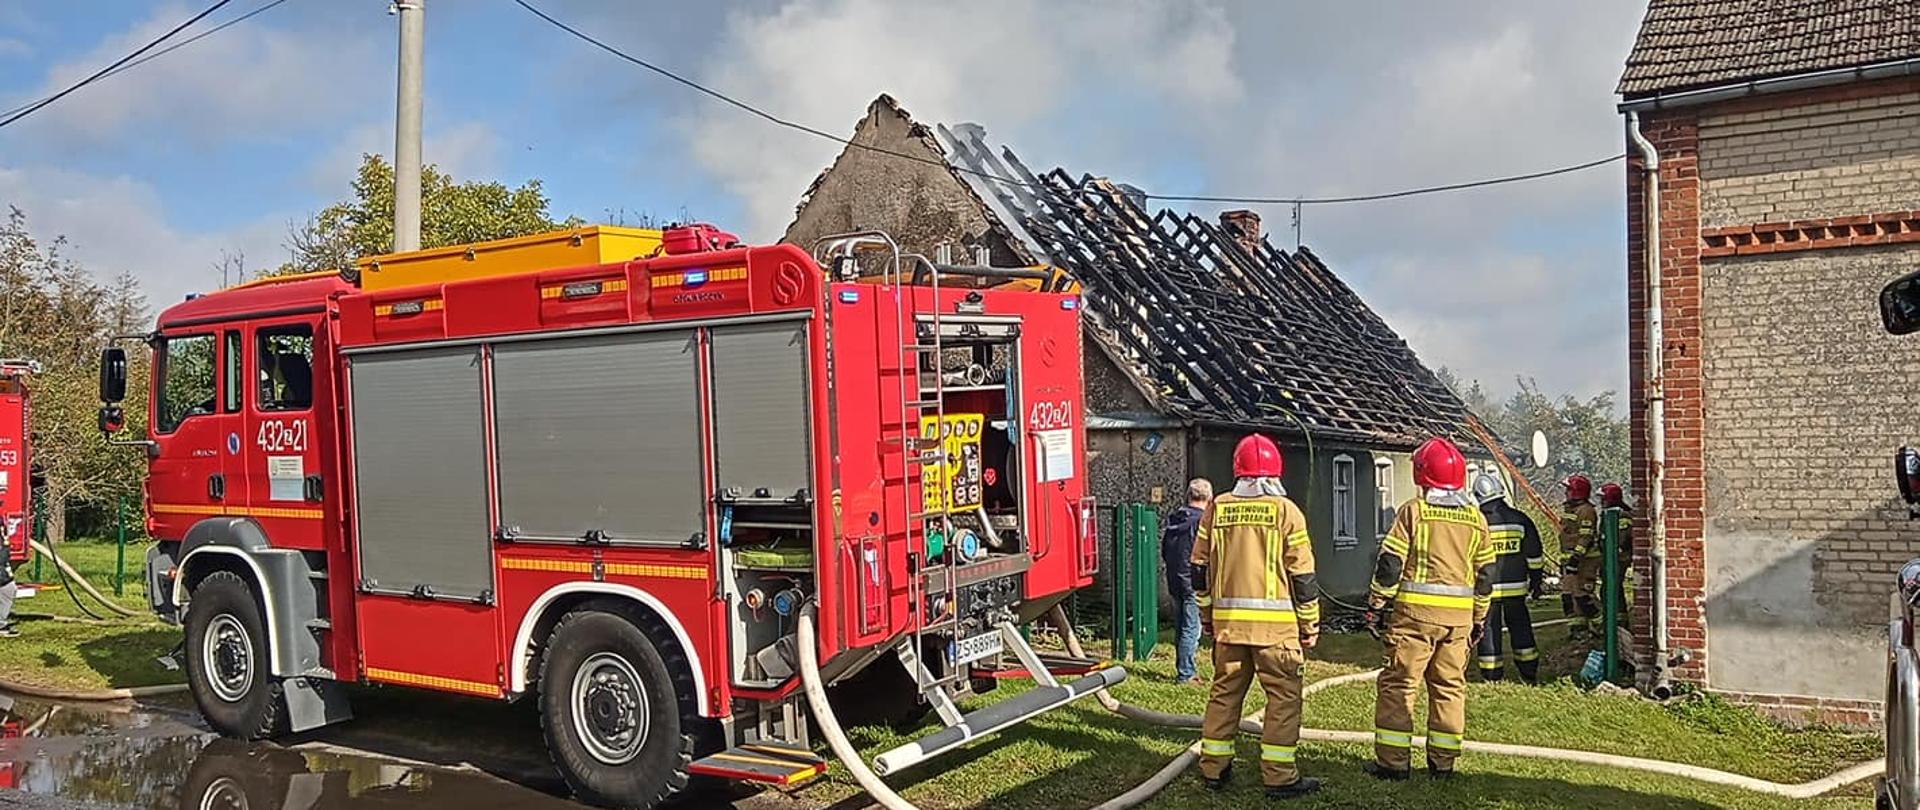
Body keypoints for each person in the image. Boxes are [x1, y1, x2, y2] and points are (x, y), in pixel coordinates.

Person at [1192, 434, 1322, 799]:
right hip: (1276, 633)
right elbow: (1303, 576)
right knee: (1282, 700)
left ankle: (1213, 769)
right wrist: (1309, 625)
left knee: (1224, 695)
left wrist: (1207, 615)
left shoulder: (1216, 508)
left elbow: (1198, 569)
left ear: (1238, 470)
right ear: (1275, 471)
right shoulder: (1285, 511)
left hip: (1229, 628)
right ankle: (1279, 777)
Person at [1366, 437, 1494, 781]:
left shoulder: (1414, 512)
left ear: (1423, 476)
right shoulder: (1475, 519)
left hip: (1414, 619)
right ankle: (1443, 764)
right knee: (1450, 688)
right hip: (1459, 622)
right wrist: (1479, 617)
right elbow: (1486, 576)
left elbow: (1390, 565)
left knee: (1400, 685)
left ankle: (1392, 764)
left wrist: (1377, 604)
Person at [1470, 472, 1543, 683]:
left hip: (1486, 591)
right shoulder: (1520, 520)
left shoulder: (1475, 523)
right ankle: (1529, 673)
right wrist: (1536, 583)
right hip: (1517, 590)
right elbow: (1534, 556)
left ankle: (1492, 676)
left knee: (1488, 631)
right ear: (1500, 491)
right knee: (1521, 629)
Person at [1162, 478, 1213, 685]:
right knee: (1192, 628)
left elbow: (1165, 550)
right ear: (1209, 498)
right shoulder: (1203, 521)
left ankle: (1183, 667)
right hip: (1193, 581)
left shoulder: (1175, 519)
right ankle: (1186, 674)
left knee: (1182, 625)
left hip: (1175, 579)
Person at [1559, 474, 1602, 640]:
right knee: (1568, 598)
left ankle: (1603, 627)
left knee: (1583, 597)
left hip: (1585, 561)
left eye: (1568, 489)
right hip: (1571, 561)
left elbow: (1586, 537)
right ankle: (1579, 631)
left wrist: (1576, 558)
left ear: (1577, 492)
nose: (1566, 493)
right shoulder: (1570, 510)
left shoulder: (1586, 511)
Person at [1600, 482, 1634, 622]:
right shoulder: (1608, 514)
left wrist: (1613, 549)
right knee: (1608, 588)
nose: (1602, 501)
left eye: (1604, 498)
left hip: (1619, 557)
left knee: (1613, 587)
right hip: (1610, 556)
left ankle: (1619, 620)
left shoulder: (1622, 515)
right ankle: (1612, 618)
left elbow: (1621, 538)